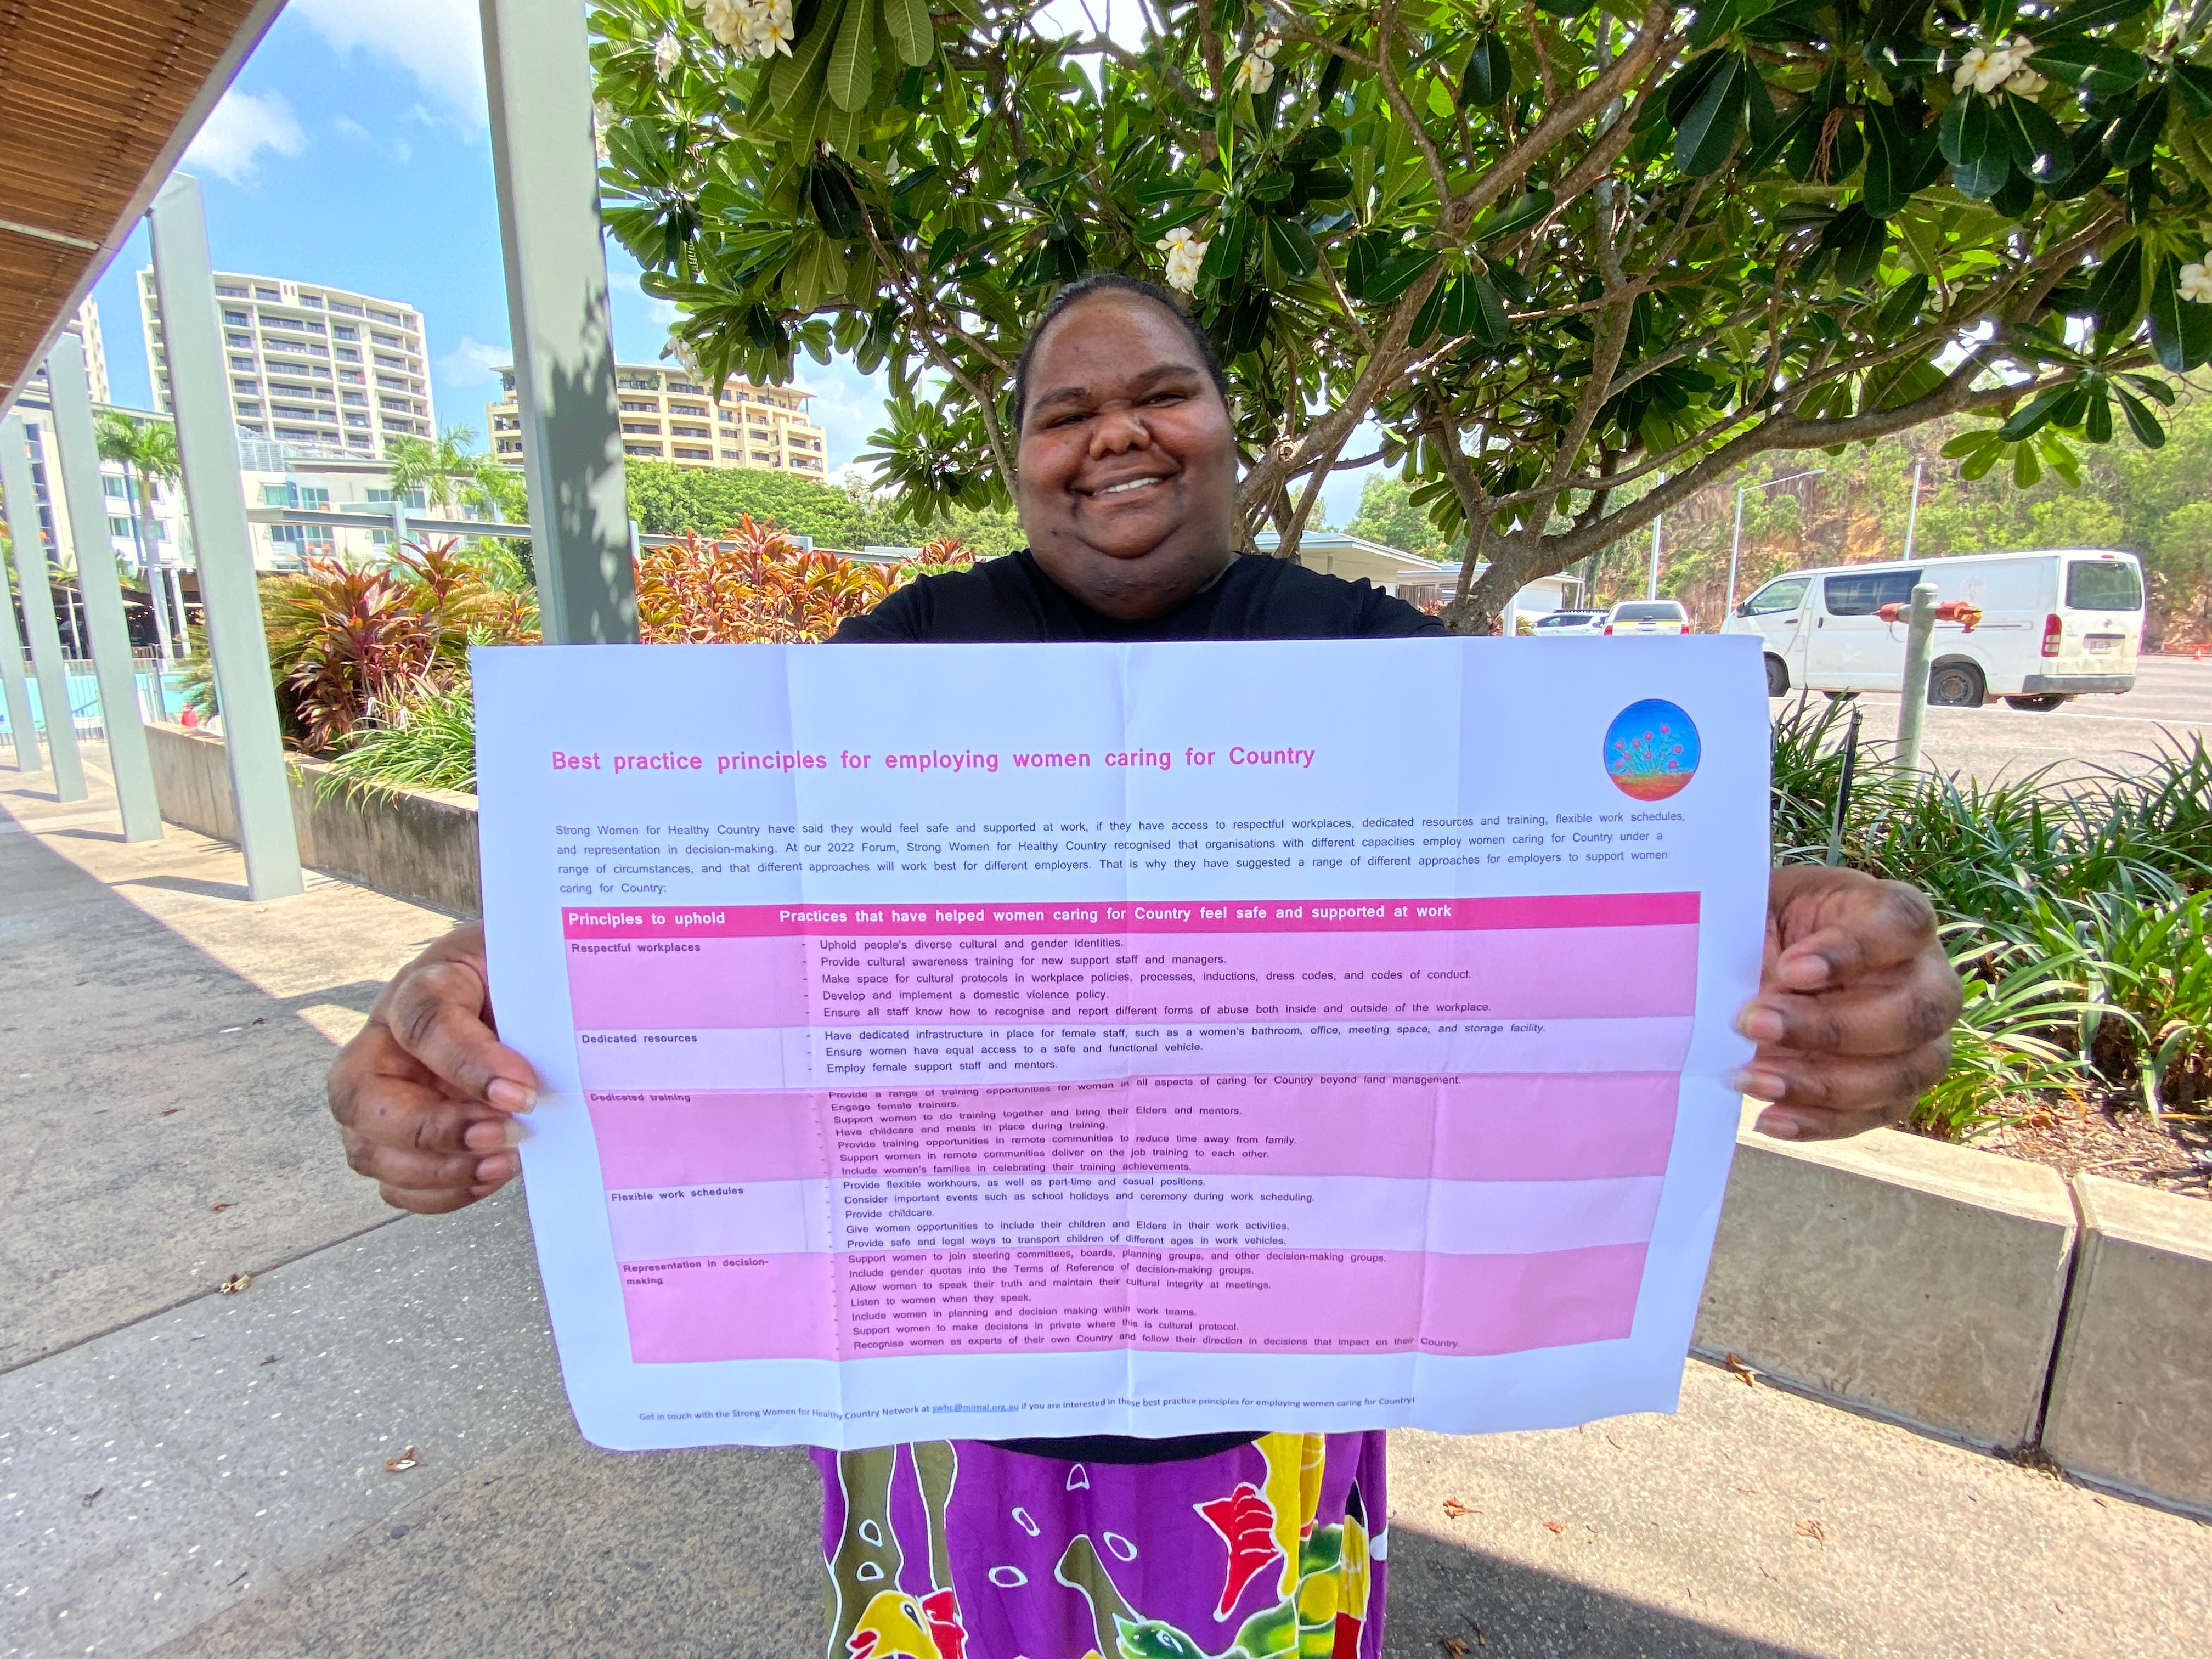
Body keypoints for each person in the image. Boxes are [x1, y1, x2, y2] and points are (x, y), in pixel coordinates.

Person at [327, 273, 1963, 1657]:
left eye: (1161, 392)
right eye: (1064, 411)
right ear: (1022, 462)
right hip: (942, 1417)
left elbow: (1597, 902)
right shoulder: (889, 672)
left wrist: (1801, 948)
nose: (1115, 430)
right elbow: (688, 918)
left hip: (1273, 1423)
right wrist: (468, 1003)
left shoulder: (1382, 667)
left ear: (1228, 428)